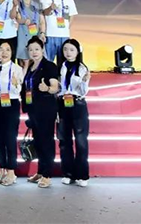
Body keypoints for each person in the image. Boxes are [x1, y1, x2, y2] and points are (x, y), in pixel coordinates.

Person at [22, 37, 60, 188]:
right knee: (37, 141)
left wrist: (48, 89)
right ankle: (40, 171)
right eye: (31, 50)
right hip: (33, 109)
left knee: (46, 141)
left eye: (37, 49)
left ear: (43, 49)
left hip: (46, 109)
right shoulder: (31, 67)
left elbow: (55, 87)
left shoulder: (49, 66)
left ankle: (47, 174)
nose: (34, 52)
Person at [58, 38, 91, 187]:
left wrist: (84, 81)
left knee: (81, 141)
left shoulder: (82, 68)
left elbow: (83, 91)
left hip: (77, 104)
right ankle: (68, 173)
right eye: (65, 49)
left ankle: (82, 175)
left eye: (71, 50)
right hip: (63, 104)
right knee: (64, 141)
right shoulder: (61, 67)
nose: (68, 53)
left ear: (78, 52)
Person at [0, 41, 23, 187]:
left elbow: (19, 90)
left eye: (7, 50)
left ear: (12, 52)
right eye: (1, 49)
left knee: (10, 138)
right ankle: (2, 169)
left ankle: (11, 171)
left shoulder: (17, 69)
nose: (4, 53)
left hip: (11, 103)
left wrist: (16, 83)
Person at [39, 0, 78, 65]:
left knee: (63, 62)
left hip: (64, 35)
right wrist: (50, 8)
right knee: (48, 62)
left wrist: (67, 28)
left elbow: (72, 15)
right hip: (49, 34)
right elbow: (44, 14)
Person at [15, 0, 45, 66]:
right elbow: (18, 19)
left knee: (36, 61)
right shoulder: (18, 6)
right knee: (23, 62)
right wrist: (23, 21)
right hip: (22, 36)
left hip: (35, 35)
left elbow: (42, 21)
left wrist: (42, 33)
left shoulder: (38, 6)